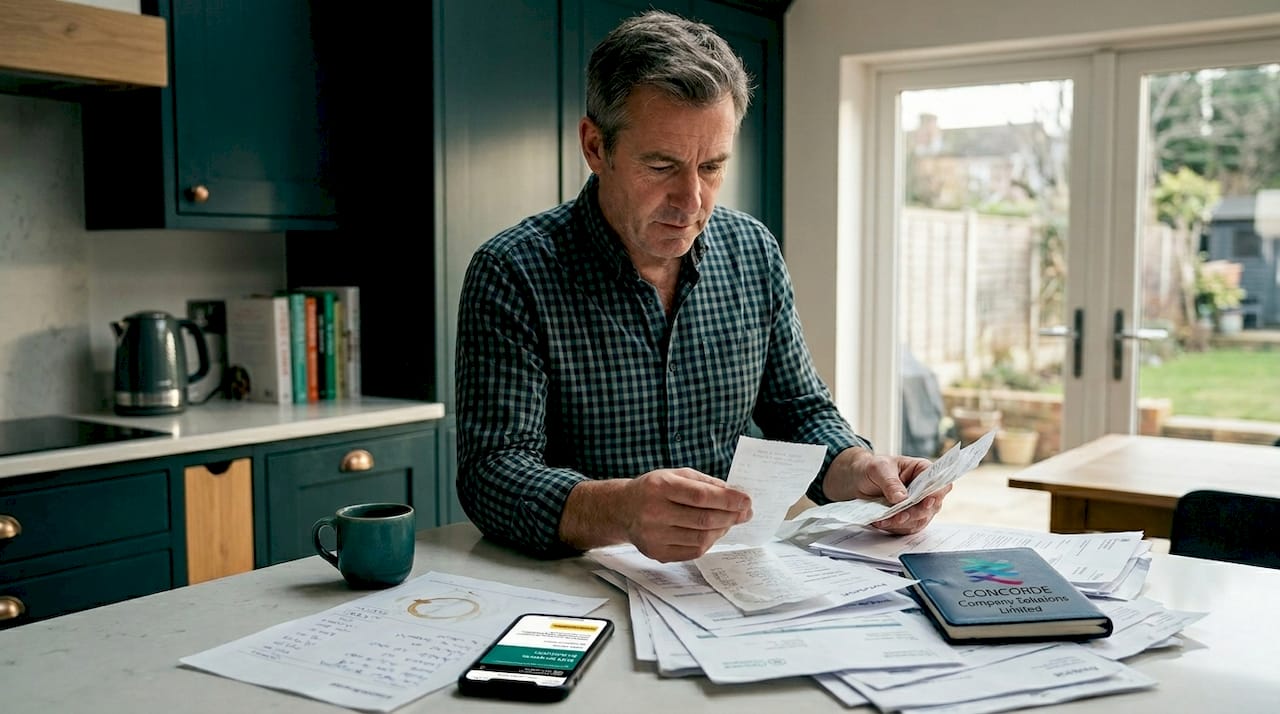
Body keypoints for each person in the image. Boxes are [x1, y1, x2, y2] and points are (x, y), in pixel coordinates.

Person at [455, 10, 949, 562]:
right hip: (576, 583)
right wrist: (621, 510)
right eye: (662, 166)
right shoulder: (513, 270)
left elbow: (798, 410)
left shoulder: (752, 251)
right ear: (596, 146)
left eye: (712, 166)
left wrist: (858, 468)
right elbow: (492, 473)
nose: (691, 201)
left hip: (725, 583)